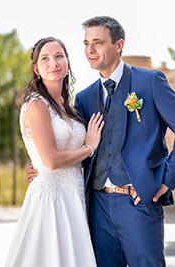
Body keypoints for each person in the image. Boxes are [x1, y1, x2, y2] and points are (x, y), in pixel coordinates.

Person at [27, 16, 175, 267]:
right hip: (96, 207)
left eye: (97, 42)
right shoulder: (85, 98)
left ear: (118, 45)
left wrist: (166, 180)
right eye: (86, 43)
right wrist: (40, 167)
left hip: (137, 202)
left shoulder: (150, 82)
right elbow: (70, 144)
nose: (90, 50)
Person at [6, 37, 103, 267]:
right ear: (36, 69)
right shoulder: (37, 105)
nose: (54, 63)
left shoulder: (70, 107)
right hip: (50, 200)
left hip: (74, 197)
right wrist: (89, 147)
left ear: (67, 62)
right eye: (45, 58)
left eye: (59, 56)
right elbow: (50, 161)